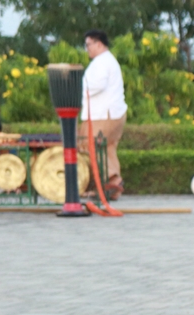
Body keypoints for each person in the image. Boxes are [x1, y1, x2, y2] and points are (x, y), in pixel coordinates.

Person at [81, 29, 126, 200]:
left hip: (103, 114)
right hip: (111, 113)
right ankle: (110, 186)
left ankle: (112, 181)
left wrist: (79, 89)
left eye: (88, 45)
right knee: (107, 147)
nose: (87, 49)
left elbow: (97, 85)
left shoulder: (102, 62)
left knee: (91, 145)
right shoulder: (106, 61)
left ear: (99, 44)